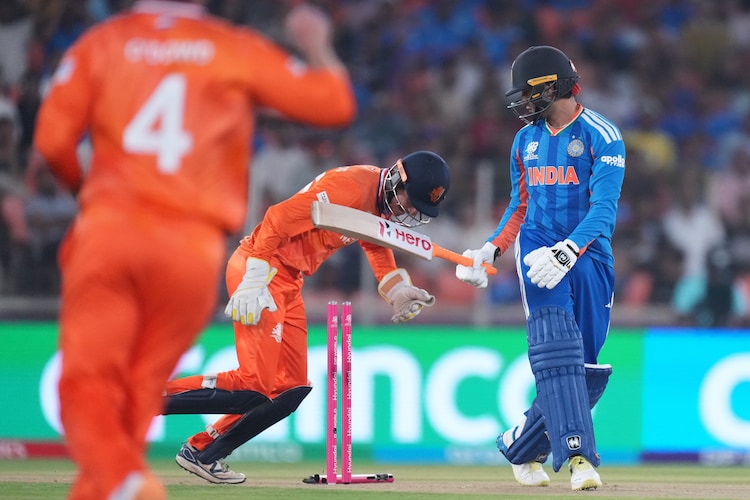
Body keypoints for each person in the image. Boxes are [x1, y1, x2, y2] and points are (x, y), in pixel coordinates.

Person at [31, 1, 355, 498]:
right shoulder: (232, 48)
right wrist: (316, 44)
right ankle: (123, 482)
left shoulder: (103, 43)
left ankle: (126, 482)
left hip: (110, 231)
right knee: (144, 386)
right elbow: (333, 104)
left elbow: (53, 143)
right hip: (189, 247)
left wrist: (86, 195)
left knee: (87, 387)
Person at [164, 150, 450, 484]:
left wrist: (395, 286)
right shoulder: (349, 188)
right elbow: (277, 217)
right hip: (262, 269)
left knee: (291, 388)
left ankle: (202, 451)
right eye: (412, 201)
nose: (412, 211)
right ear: (397, 179)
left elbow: (374, 241)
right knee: (253, 386)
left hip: (289, 280)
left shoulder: (375, 201)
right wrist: (256, 274)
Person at [456, 45, 625, 491]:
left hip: (589, 254)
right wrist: (491, 249)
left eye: (529, 93)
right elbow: (520, 205)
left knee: (585, 371)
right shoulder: (524, 140)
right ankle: (580, 459)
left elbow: (604, 209)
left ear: (553, 87)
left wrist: (569, 251)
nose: (522, 104)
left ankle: (520, 444)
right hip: (536, 252)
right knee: (557, 352)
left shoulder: (602, 135)